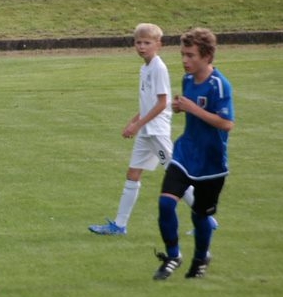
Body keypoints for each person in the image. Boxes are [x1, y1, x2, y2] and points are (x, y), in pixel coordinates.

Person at [88, 23, 216, 237]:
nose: (141, 47)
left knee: (177, 177)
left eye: (147, 43)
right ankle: (119, 225)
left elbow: (162, 103)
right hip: (146, 130)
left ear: (159, 44)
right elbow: (148, 103)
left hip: (156, 131)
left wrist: (138, 125)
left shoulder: (158, 68)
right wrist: (134, 121)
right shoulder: (145, 68)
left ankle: (207, 220)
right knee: (133, 174)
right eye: (138, 42)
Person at [153, 28, 234, 280]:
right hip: (185, 153)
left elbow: (226, 123)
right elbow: (191, 108)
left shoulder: (219, 85)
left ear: (206, 56)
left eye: (190, 55)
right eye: (183, 55)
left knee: (200, 217)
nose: (184, 60)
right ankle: (173, 256)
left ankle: (200, 258)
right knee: (166, 204)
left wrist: (192, 109)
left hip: (211, 162)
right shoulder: (187, 80)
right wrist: (181, 108)